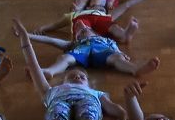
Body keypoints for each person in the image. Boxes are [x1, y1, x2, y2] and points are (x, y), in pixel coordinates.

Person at [12, 19, 127, 120]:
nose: (77, 77)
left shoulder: (96, 93)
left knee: (90, 115)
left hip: (87, 99)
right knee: (58, 117)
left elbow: (110, 106)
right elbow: (34, 67)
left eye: (82, 77)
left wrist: (122, 113)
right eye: (72, 77)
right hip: (60, 100)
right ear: (63, 82)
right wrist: (25, 40)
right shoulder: (52, 90)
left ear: (90, 84)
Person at [28, 25, 160, 81]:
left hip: (102, 50)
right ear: (78, 37)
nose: (84, 30)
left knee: (116, 58)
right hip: (83, 50)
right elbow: (50, 40)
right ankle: (50, 71)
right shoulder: (75, 43)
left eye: (86, 29)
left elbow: (115, 49)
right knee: (65, 57)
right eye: (81, 32)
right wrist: (28, 36)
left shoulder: (106, 40)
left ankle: (135, 69)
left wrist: (120, 53)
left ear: (95, 32)